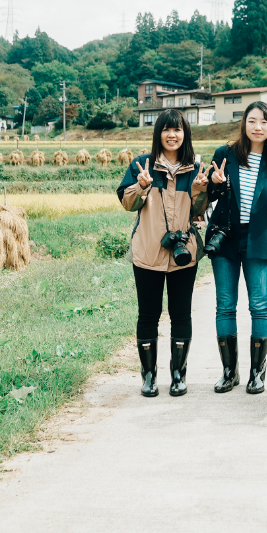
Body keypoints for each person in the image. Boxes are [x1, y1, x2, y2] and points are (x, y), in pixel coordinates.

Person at [205, 101, 267, 395]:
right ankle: (229, 372)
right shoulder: (225, 154)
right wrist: (214, 182)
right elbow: (210, 195)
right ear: (244, 124)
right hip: (225, 237)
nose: (258, 127)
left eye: (264, 122)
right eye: (252, 121)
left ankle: (257, 374)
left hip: (259, 239)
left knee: (259, 305)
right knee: (225, 304)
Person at [117, 109, 209, 397]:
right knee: (148, 314)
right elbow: (127, 204)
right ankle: (149, 376)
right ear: (158, 133)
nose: (172, 135)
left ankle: (178, 374)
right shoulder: (142, 164)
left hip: (183, 255)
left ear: (185, 134)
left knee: (181, 314)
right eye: (166, 129)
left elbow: (199, 212)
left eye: (177, 129)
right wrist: (141, 186)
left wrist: (199, 191)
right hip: (148, 252)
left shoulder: (195, 168)